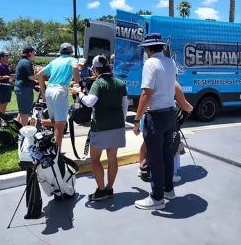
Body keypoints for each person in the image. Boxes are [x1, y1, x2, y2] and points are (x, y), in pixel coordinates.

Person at [71, 54, 128, 201]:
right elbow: (125, 106)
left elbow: (90, 102)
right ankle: (109, 189)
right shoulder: (120, 83)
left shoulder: (98, 83)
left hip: (101, 126)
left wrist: (79, 94)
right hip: (117, 125)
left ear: (96, 69)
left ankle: (101, 190)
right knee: (112, 158)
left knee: (95, 159)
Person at [133, 33, 176, 210]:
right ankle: (168, 189)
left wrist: (137, 119)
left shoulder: (150, 63)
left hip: (156, 115)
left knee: (155, 157)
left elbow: (146, 94)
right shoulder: (170, 62)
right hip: (170, 114)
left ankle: (157, 198)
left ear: (148, 49)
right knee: (167, 154)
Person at [138, 80, 193, 183]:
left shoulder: (152, 81)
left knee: (146, 143)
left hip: (147, 116)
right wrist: (191, 108)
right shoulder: (174, 83)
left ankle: (143, 169)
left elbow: (144, 97)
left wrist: (137, 119)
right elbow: (184, 104)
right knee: (168, 148)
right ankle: (168, 176)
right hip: (163, 117)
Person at [36, 43, 79, 149]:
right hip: (59, 90)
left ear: (60, 51)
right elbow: (75, 67)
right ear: (71, 52)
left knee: (56, 122)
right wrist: (76, 83)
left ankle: (40, 122)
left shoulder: (54, 61)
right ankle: (57, 153)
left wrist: (43, 92)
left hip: (49, 90)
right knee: (60, 125)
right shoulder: (72, 60)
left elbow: (39, 75)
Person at [14, 45, 36, 126]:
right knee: (25, 113)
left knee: (21, 111)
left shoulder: (22, 61)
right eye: (33, 52)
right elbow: (30, 77)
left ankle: (18, 131)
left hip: (21, 89)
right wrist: (39, 76)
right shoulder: (26, 62)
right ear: (29, 53)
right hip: (24, 90)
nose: (34, 53)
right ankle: (24, 133)